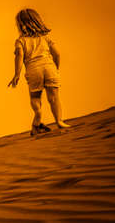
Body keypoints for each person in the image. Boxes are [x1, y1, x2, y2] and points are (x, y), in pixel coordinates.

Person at [8, 8, 70, 136]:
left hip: (33, 70)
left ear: (20, 25)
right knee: (54, 97)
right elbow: (57, 53)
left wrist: (16, 74)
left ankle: (38, 113)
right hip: (49, 67)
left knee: (35, 97)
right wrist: (55, 68)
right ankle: (59, 121)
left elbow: (19, 55)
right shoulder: (45, 37)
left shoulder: (21, 41)